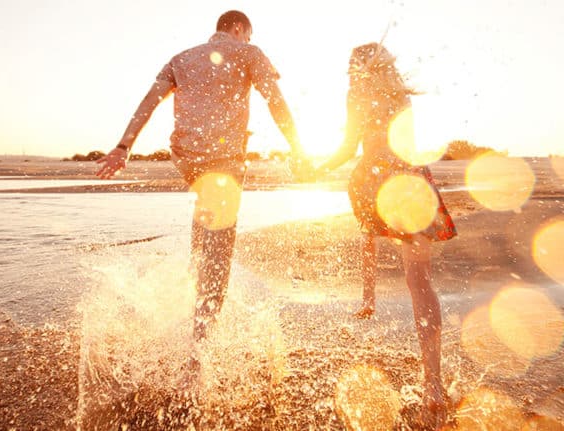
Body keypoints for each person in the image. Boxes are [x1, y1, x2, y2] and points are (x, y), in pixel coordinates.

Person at [96, 10, 309, 342]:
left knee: (205, 220)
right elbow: (274, 101)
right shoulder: (249, 53)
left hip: (187, 159)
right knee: (219, 258)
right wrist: (297, 147)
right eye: (248, 35)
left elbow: (149, 102)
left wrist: (124, 147)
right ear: (239, 29)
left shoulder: (180, 58)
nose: (248, 41)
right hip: (223, 161)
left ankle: (192, 283)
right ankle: (198, 359)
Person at [314, 42, 457, 427]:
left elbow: (348, 146)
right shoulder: (400, 94)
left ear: (357, 67)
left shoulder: (356, 92)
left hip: (374, 177)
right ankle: (433, 384)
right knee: (420, 282)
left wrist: (317, 167)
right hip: (411, 180)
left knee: (370, 227)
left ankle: (369, 296)